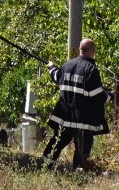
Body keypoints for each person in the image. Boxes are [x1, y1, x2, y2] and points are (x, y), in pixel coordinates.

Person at [42, 38, 114, 169]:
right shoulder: (91, 69)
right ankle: (78, 172)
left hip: (65, 118)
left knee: (56, 144)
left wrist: (51, 67)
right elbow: (98, 95)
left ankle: (44, 167)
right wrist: (110, 96)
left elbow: (56, 76)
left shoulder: (66, 65)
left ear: (80, 50)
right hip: (83, 120)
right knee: (82, 150)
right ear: (93, 51)